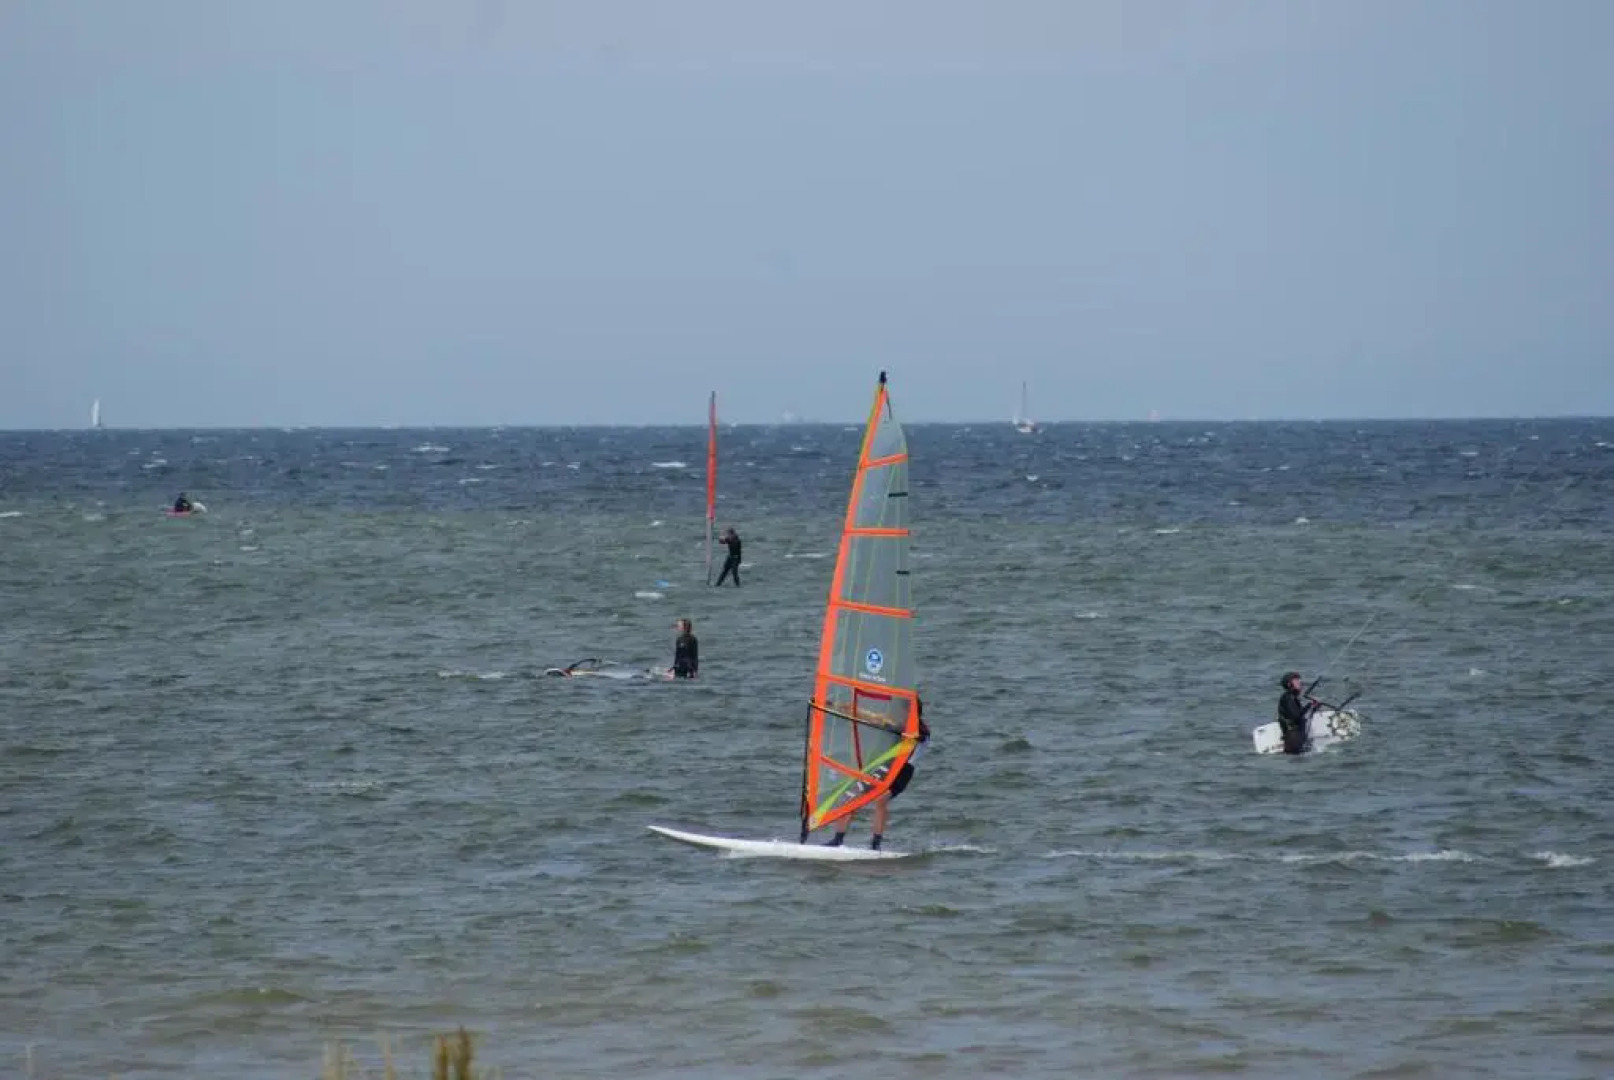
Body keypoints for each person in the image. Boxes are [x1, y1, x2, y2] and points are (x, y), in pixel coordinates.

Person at [825, 694, 930, 850]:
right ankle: (837, 840)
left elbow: (917, 737)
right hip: (885, 766)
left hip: (903, 771)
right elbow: (864, 714)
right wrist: (832, 704)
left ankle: (875, 845)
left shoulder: (922, 731)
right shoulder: (895, 722)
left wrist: (897, 729)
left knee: (881, 800)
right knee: (851, 795)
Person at [1276, 671, 1318, 755]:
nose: (1299, 682)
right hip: (1293, 738)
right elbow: (1296, 716)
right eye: (1296, 680)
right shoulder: (1287, 698)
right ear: (1289, 684)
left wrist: (1313, 706)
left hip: (1297, 736)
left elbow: (1300, 714)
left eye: (1299, 680)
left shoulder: (1293, 698)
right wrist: (1310, 705)